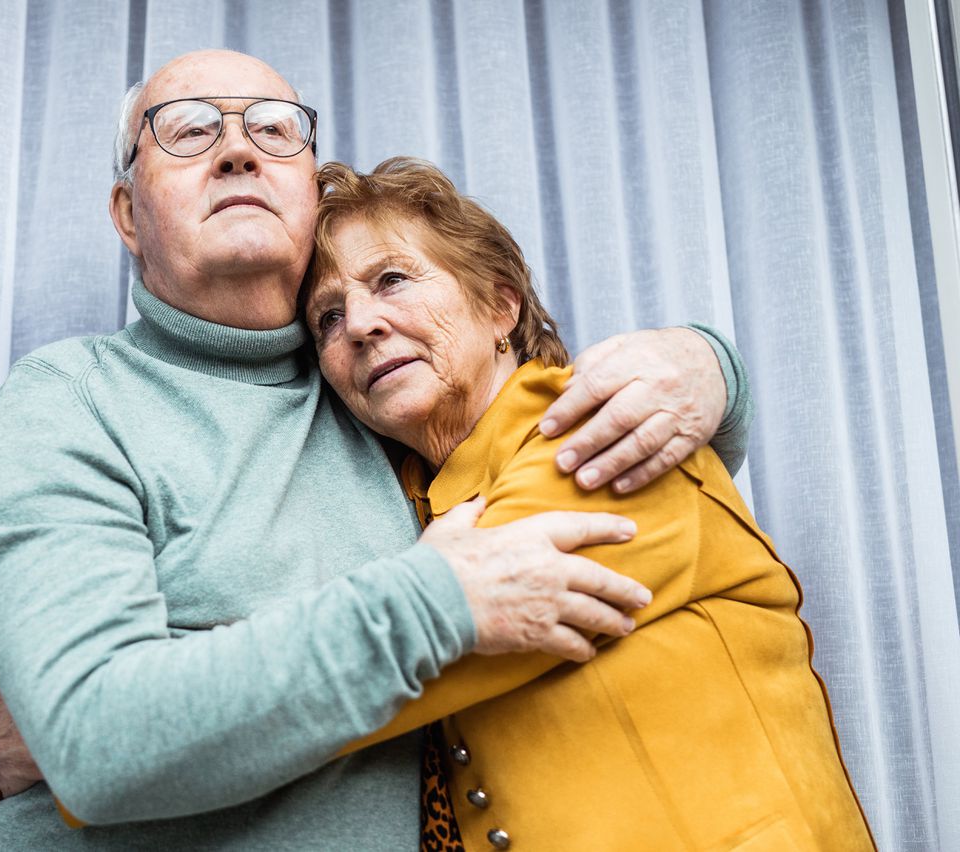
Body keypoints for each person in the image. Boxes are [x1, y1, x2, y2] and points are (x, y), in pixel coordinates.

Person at [0, 50, 754, 850]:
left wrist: (708, 365)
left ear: (307, 192)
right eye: (188, 131)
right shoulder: (67, 400)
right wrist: (434, 603)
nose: (238, 148)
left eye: (274, 129)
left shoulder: (381, 395)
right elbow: (100, 742)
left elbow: (581, 466)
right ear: (128, 214)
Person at [302, 158, 874, 850]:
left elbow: (334, 688)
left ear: (500, 306)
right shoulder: (411, 505)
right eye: (327, 318)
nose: (360, 324)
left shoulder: (601, 437)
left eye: (391, 279)